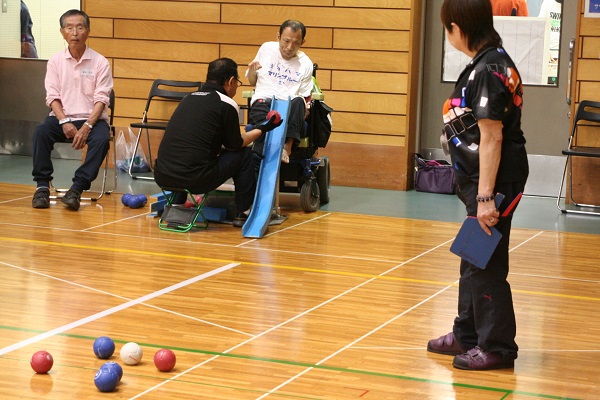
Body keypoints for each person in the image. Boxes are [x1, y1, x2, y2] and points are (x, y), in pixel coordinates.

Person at [428, 0, 529, 370]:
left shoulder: (490, 68)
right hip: (481, 181)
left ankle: (497, 347)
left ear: (457, 27)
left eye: (446, 27)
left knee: (485, 265)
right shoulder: (486, 61)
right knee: (472, 259)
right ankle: (466, 335)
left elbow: (492, 137)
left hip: (495, 182)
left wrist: (486, 197)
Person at [153, 58, 282, 228]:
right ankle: (243, 212)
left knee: (184, 156)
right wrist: (264, 128)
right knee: (243, 155)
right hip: (196, 180)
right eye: (237, 82)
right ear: (230, 81)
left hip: (162, 176)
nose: (236, 86)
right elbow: (235, 145)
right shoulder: (227, 103)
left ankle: (176, 205)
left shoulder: (187, 98)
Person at [31, 9, 113, 211]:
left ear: (88, 31)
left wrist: (87, 125)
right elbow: (52, 97)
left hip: (93, 119)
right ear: (62, 32)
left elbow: (102, 99)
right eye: (69, 27)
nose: (75, 32)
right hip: (62, 117)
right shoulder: (56, 61)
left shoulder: (100, 62)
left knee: (102, 139)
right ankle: (42, 187)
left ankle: (76, 189)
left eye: (80, 27)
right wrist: (64, 121)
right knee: (41, 132)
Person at [246, 20, 314, 164]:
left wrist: (305, 108)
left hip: (289, 105)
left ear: (303, 42)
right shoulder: (266, 49)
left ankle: (287, 147)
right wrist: (252, 71)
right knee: (259, 107)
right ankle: (261, 148)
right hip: (264, 100)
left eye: (296, 43)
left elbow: (304, 96)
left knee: (298, 102)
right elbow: (252, 82)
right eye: (286, 41)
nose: (289, 47)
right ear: (278, 37)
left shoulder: (306, 63)